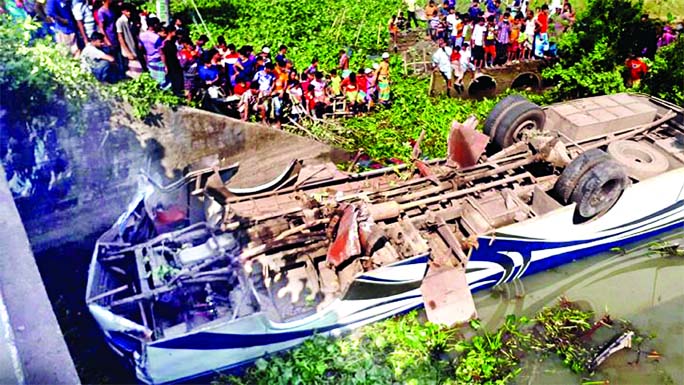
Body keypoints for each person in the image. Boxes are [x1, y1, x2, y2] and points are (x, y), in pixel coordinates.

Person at [116, 3, 141, 78]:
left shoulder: (131, 21)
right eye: (127, 11)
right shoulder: (120, 21)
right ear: (123, 11)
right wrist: (128, 52)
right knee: (135, 73)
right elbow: (120, 37)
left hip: (134, 48)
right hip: (128, 50)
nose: (129, 13)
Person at [139, 17, 166, 85]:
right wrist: (165, 65)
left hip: (149, 60)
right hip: (158, 61)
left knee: (153, 80)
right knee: (161, 81)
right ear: (155, 25)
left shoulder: (141, 35)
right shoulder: (156, 37)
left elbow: (141, 49)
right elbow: (161, 52)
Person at [161, 25, 183, 96]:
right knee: (174, 79)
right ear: (170, 32)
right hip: (170, 64)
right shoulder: (165, 43)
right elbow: (163, 54)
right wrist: (165, 66)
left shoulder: (172, 42)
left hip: (175, 63)